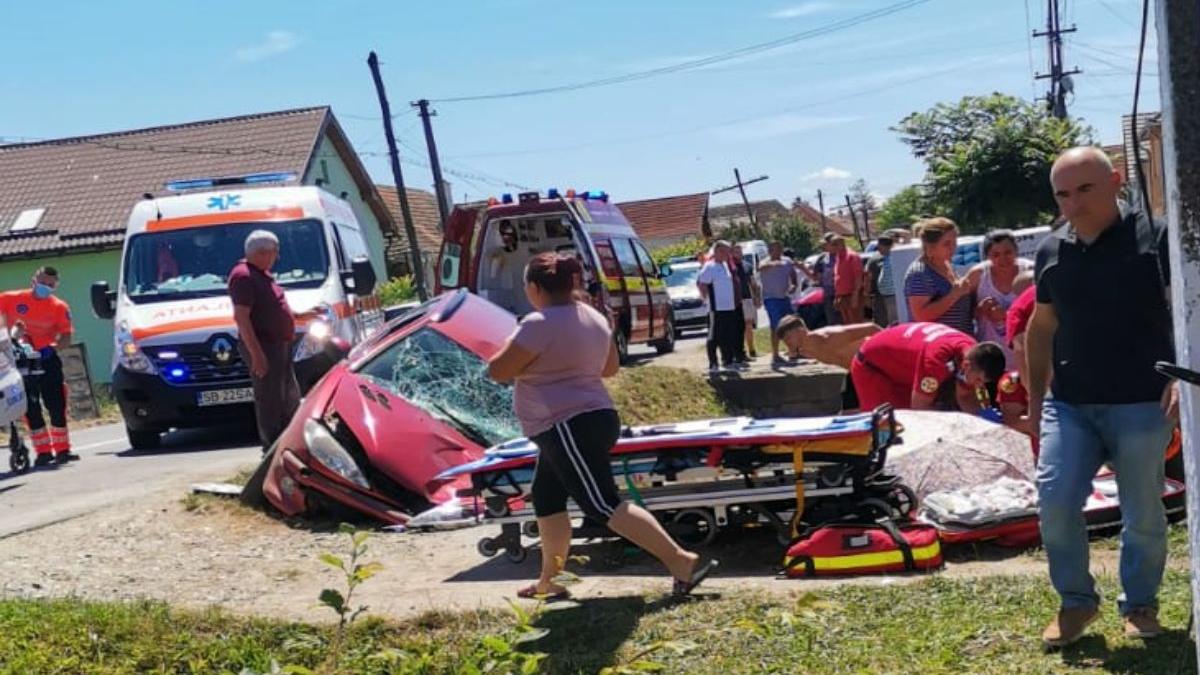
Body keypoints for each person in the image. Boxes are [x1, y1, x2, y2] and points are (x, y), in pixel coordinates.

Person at [487, 252, 718, 600]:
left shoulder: (537, 324)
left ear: (534, 288)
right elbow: (609, 369)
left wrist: (515, 348)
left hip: (566, 424)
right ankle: (549, 582)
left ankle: (682, 562)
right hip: (593, 418)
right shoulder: (592, 316)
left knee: (602, 504)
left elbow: (498, 371)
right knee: (547, 498)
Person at [1027, 146, 1176, 646]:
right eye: (1063, 194)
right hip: (1070, 402)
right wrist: (1034, 402)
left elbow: (1187, 311)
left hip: (1143, 399)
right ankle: (1076, 603)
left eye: (1085, 189)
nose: (1074, 203)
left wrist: (1182, 376)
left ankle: (1140, 605)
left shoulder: (1158, 238)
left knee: (1143, 510)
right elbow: (1041, 326)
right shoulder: (1051, 250)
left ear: (1116, 181)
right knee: (1055, 500)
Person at [229, 231, 320, 451]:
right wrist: (257, 355)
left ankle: (291, 444)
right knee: (271, 400)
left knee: (288, 396)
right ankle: (272, 449)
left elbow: (271, 307)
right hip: (264, 346)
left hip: (279, 345)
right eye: (274, 252)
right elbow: (242, 318)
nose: (276, 257)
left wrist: (299, 315)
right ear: (261, 253)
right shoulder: (243, 276)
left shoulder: (261, 274)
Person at [0, 267, 75, 466]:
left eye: (50, 285)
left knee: (56, 404)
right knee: (30, 407)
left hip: (46, 359)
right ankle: (43, 452)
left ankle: (63, 449)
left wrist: (53, 348)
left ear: (55, 286)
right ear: (34, 280)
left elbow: (66, 336)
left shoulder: (58, 307)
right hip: (19, 359)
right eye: (42, 283)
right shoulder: (11, 299)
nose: (45, 287)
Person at [849, 322, 1005, 412]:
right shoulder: (936, 362)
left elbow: (966, 396)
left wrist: (983, 421)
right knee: (888, 430)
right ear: (966, 366)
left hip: (901, 367)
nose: (979, 386)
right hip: (873, 368)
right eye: (978, 380)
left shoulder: (972, 354)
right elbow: (921, 411)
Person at [903, 217, 978, 334]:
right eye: (947, 244)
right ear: (931, 246)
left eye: (954, 242)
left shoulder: (947, 265)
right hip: (937, 341)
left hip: (960, 338)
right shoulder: (920, 273)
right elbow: (920, 316)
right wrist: (954, 295)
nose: (953, 248)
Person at [971, 230, 1034, 369]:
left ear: (1016, 251)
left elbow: (1045, 310)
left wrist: (1007, 316)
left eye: (1008, 252)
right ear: (987, 256)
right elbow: (965, 314)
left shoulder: (1030, 272)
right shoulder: (978, 275)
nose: (1003, 259)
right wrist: (980, 310)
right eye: (996, 255)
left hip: (1027, 354)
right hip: (991, 358)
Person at [698, 241, 744, 372]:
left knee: (728, 335)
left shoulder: (725, 265)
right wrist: (706, 299)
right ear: (718, 251)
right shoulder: (709, 267)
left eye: (729, 252)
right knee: (714, 336)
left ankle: (728, 361)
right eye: (725, 251)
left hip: (729, 307)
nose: (728, 254)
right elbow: (702, 284)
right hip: (716, 308)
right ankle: (713, 363)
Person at [775, 315, 881, 370]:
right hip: (863, 370)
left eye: (788, 338)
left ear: (800, 331)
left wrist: (890, 344)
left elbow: (871, 328)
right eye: (784, 340)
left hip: (878, 360)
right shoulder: (806, 352)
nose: (787, 343)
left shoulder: (828, 337)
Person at [759, 241, 799, 364]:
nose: (777, 251)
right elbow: (760, 268)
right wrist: (773, 264)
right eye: (774, 249)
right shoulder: (764, 262)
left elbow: (793, 276)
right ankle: (775, 355)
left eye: (779, 249)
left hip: (784, 298)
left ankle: (793, 351)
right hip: (771, 298)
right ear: (769, 251)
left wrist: (793, 285)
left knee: (791, 324)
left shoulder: (787, 261)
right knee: (776, 326)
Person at [731, 245, 760, 361]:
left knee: (749, 324)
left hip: (747, 298)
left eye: (740, 251)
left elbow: (753, 282)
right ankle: (739, 351)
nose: (738, 253)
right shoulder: (729, 266)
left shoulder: (747, 266)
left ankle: (752, 349)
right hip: (735, 300)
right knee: (738, 327)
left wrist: (757, 297)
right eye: (736, 252)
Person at [865, 235, 898, 327]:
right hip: (881, 295)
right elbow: (869, 277)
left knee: (893, 320)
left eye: (880, 246)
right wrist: (867, 294)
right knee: (882, 319)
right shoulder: (877, 258)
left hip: (894, 295)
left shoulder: (897, 256)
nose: (878, 248)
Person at [831, 236, 865, 324]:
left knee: (856, 322)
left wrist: (855, 295)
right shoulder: (838, 257)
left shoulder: (852, 256)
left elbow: (858, 277)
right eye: (832, 245)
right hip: (842, 296)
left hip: (852, 295)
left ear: (842, 244)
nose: (833, 247)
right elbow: (838, 277)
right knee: (847, 324)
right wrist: (837, 296)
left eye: (835, 244)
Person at [808, 233, 840, 326]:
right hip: (829, 295)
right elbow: (815, 277)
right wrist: (803, 269)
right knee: (833, 321)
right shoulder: (822, 258)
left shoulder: (844, 255)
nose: (823, 246)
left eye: (826, 244)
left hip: (845, 294)